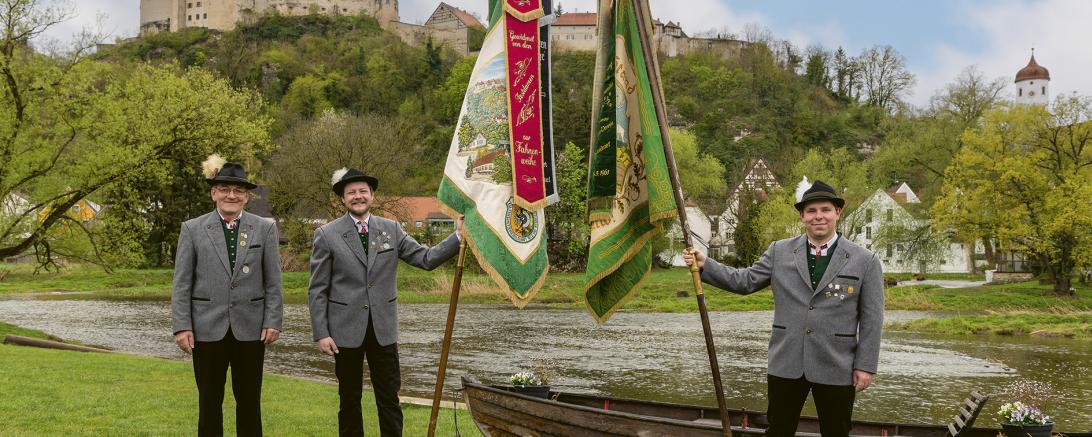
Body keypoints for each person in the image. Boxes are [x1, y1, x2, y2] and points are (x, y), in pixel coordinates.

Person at [684, 179, 884, 437]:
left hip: (837, 364)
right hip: (786, 361)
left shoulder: (865, 261)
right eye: (811, 211)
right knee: (778, 430)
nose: (818, 216)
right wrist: (705, 265)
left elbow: (872, 319)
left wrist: (865, 365)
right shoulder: (780, 251)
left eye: (825, 210)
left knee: (837, 431)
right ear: (802, 216)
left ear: (838, 213)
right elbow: (744, 281)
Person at [308, 168, 462, 437]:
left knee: (389, 399)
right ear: (343, 199)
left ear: (372, 195)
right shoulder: (327, 234)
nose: (358, 196)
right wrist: (321, 333)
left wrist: (458, 236)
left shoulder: (391, 229)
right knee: (349, 400)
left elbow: (425, 259)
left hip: (383, 330)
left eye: (362, 191)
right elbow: (317, 289)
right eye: (351, 193)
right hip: (344, 331)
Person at [172, 154, 283, 437]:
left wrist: (273, 320)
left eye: (238, 191)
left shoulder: (265, 228)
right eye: (224, 189)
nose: (231, 195)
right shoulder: (192, 229)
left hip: (251, 329)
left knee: (249, 402)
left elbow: (273, 281)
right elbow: (182, 283)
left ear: (247, 197)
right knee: (209, 402)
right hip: (207, 329)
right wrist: (182, 326)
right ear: (213, 193)